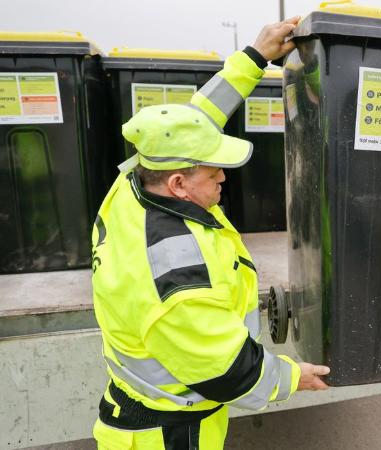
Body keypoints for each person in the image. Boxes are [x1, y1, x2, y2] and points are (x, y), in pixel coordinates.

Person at [90, 18, 330, 450]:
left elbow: (193, 120)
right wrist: (294, 377)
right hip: (169, 433)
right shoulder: (177, 275)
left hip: (143, 410)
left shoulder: (133, 183)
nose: (223, 176)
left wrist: (255, 57)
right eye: (213, 169)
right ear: (179, 184)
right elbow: (226, 371)